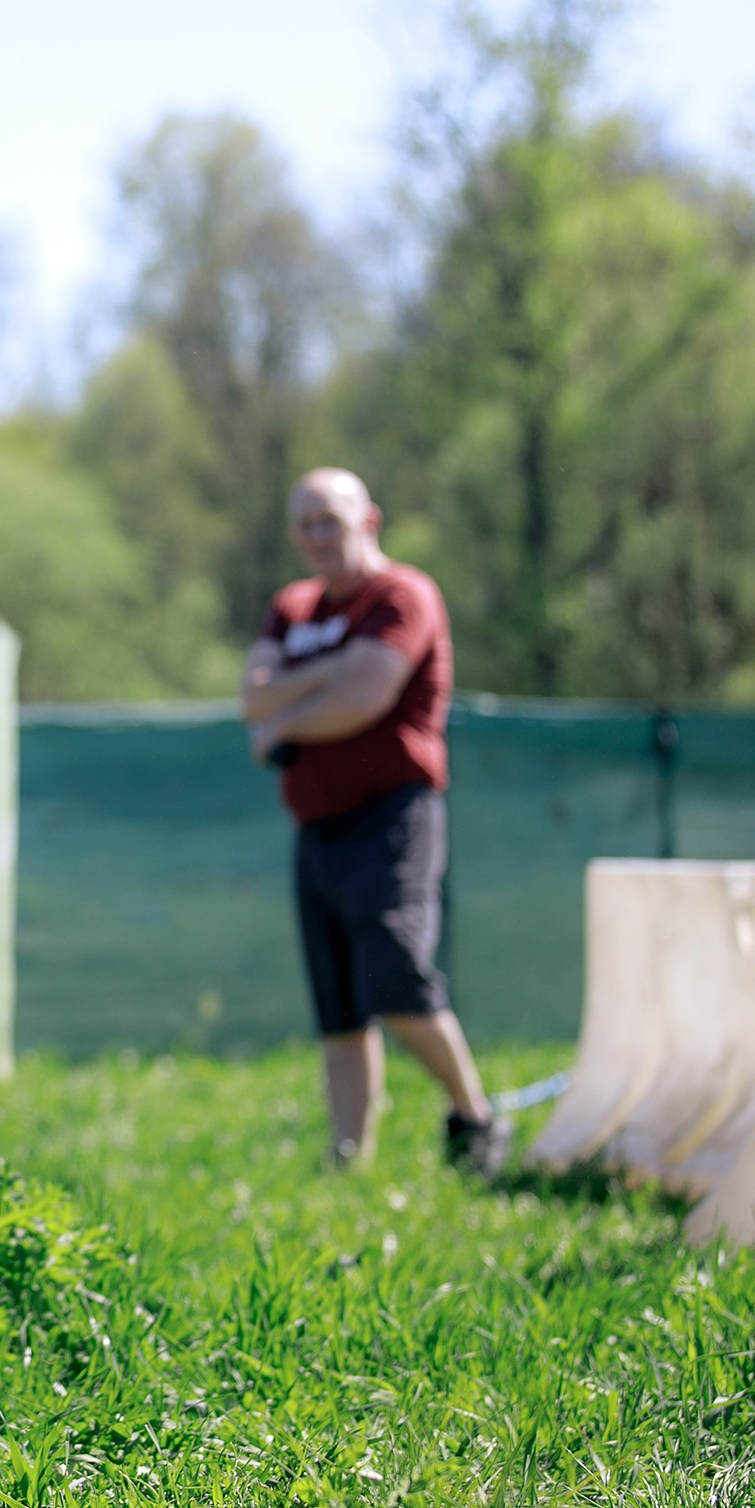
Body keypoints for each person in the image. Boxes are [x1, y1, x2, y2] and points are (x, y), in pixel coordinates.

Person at [239, 468, 511, 1176]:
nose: (317, 536)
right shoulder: (292, 606)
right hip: (316, 826)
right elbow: (251, 693)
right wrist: (328, 674)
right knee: (339, 1005)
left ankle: (474, 1113)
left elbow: (366, 693)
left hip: (392, 818)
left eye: (330, 518)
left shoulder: (403, 595)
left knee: (394, 973)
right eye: (305, 523)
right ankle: (348, 1158)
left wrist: (290, 712)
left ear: (369, 519)